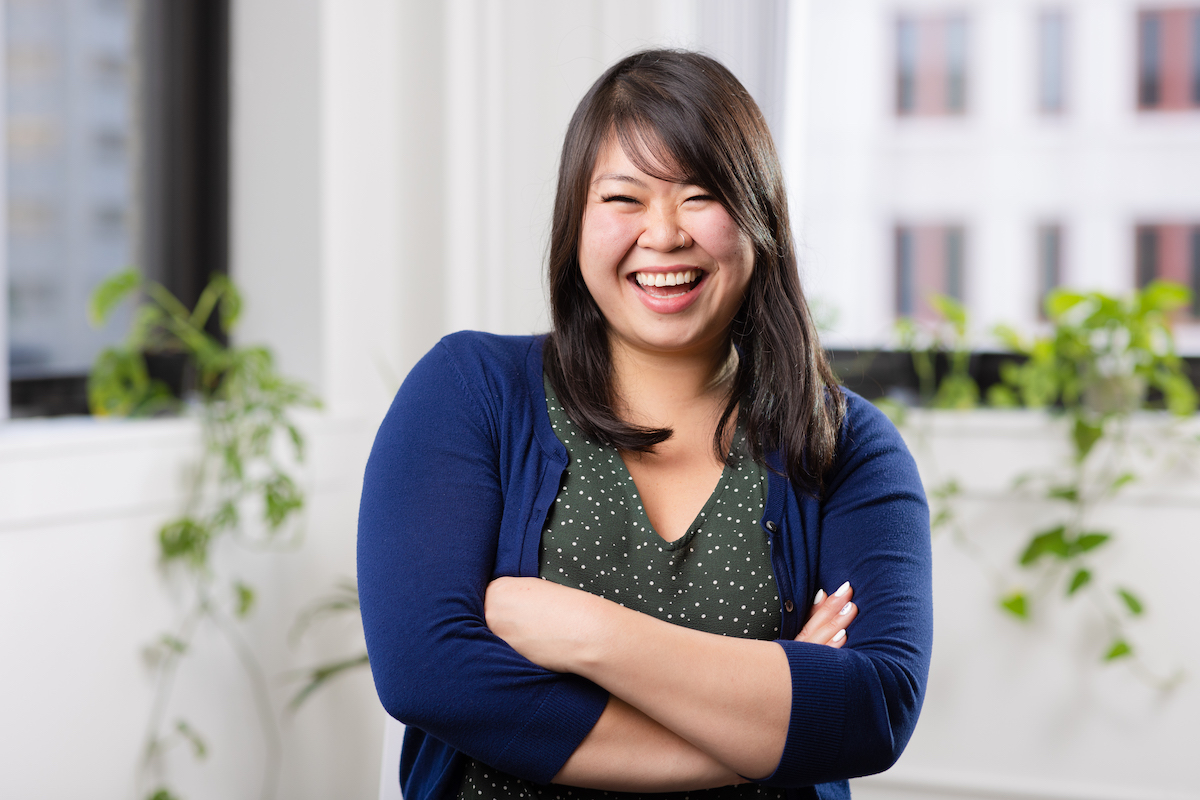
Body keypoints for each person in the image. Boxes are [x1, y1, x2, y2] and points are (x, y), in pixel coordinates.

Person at [358, 49, 932, 800]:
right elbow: (428, 673)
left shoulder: (848, 447)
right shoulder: (470, 392)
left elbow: (873, 709)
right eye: (623, 198)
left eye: (700, 195)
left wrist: (588, 634)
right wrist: (762, 724)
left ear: (757, 217)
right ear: (576, 223)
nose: (662, 235)